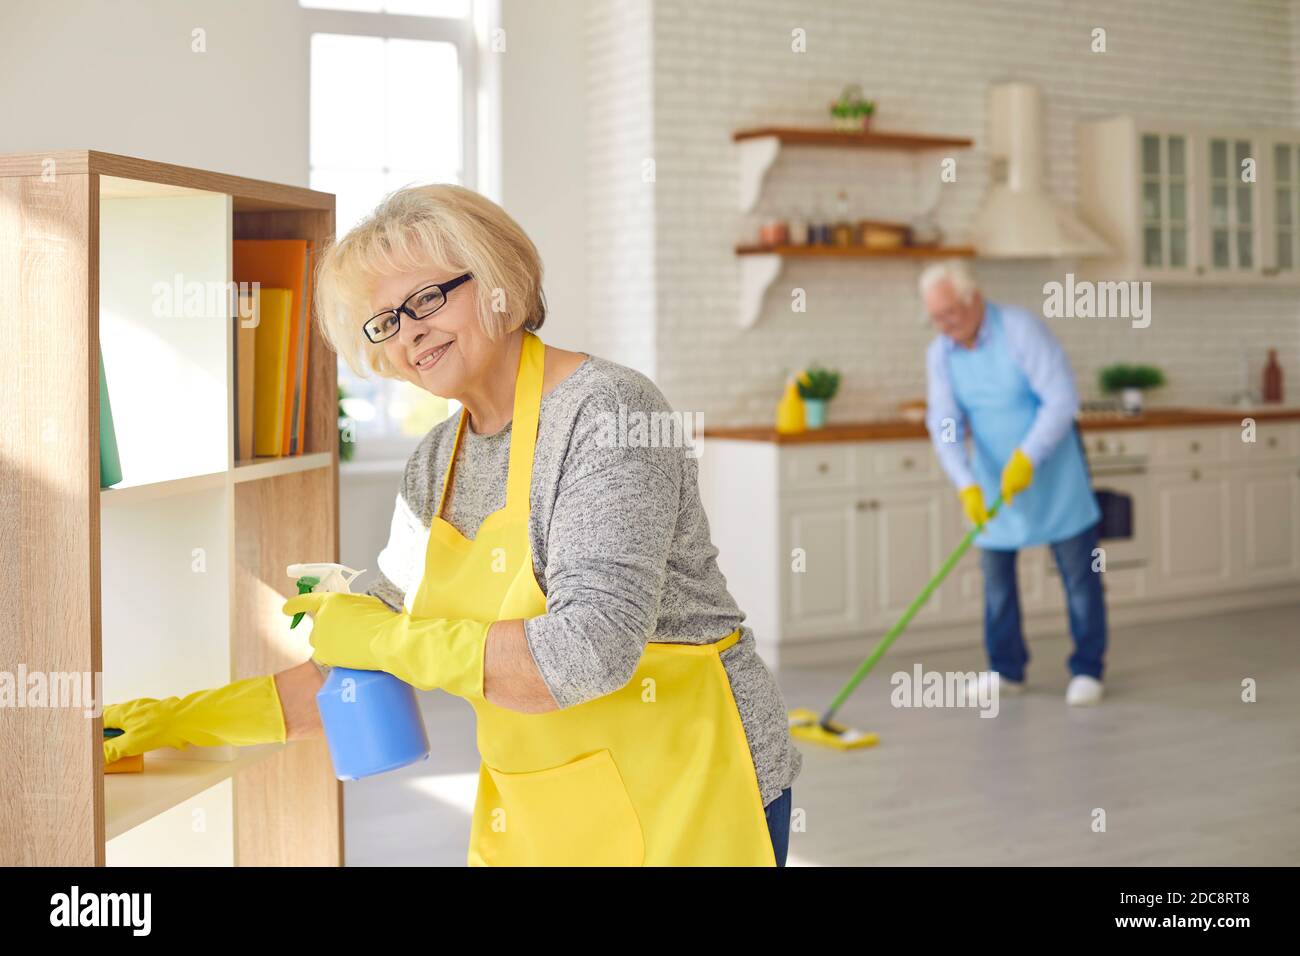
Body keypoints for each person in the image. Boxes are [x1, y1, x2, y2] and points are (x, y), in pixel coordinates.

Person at [102, 183, 800, 866]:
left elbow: (588, 653)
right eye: (386, 322)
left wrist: (383, 637)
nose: (411, 331)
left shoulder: (609, 413)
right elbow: (358, 661)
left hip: (685, 779)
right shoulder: (438, 460)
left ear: (498, 280)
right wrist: (182, 721)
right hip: (544, 791)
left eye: (429, 297)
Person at [920, 260, 1107, 706]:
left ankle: (1088, 668)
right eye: (936, 317)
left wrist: (1028, 455)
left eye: (950, 313)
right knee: (996, 580)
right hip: (991, 478)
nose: (944, 325)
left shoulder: (1020, 330)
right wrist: (965, 483)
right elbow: (944, 423)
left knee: (1079, 576)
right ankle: (1006, 668)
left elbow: (1062, 398)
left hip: (1053, 471)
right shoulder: (941, 353)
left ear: (974, 299)